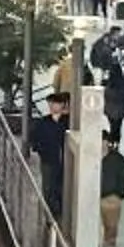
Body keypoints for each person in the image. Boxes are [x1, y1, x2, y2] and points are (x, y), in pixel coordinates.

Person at [27, 89, 72, 226]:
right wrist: (40, 150)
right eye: (50, 103)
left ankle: (60, 212)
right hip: (48, 160)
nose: (52, 106)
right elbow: (34, 138)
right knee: (48, 187)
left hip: (64, 161)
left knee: (61, 187)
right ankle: (50, 214)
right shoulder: (43, 122)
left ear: (62, 105)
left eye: (55, 103)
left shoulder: (68, 122)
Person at [97, 133, 124, 247]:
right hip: (96, 195)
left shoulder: (117, 160)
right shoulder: (91, 157)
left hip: (111, 196)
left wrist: (119, 194)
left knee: (111, 225)